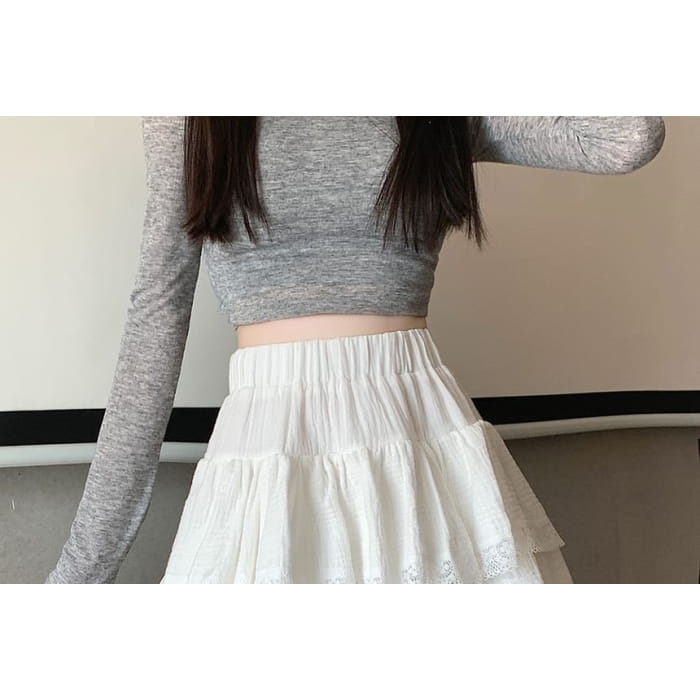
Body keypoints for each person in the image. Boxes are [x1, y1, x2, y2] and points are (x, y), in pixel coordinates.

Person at [45, 116, 666, 584]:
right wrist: (78, 578)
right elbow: (155, 320)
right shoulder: (190, 115)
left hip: (422, 447)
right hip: (269, 456)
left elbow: (627, 137)